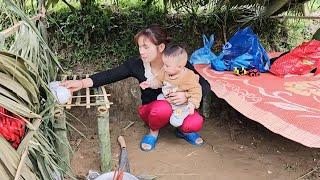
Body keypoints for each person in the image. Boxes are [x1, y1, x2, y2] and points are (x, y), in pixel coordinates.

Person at [61, 25, 211, 151]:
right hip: (153, 111)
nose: (141, 51)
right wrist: (81, 83)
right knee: (162, 108)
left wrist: (186, 97)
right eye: (140, 47)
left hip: (179, 108)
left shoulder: (178, 63)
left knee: (194, 123)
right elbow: (110, 75)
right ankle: (153, 132)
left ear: (161, 47)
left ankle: (182, 130)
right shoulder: (137, 65)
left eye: (146, 47)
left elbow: (204, 85)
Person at [139, 44, 202, 128]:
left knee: (175, 122)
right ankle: (170, 109)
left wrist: (192, 103)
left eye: (167, 65)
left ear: (179, 67)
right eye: (164, 64)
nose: (164, 67)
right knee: (159, 98)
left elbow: (196, 90)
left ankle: (184, 112)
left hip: (181, 104)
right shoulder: (165, 71)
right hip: (168, 97)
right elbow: (158, 81)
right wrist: (149, 84)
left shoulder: (189, 76)